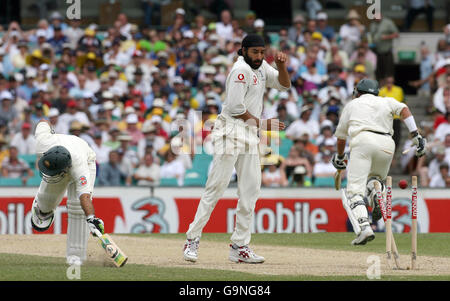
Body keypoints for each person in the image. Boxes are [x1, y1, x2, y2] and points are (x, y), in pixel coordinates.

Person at [183, 34, 290, 263]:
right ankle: (192, 239)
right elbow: (235, 108)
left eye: (262, 52)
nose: (259, 57)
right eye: (254, 52)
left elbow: (283, 85)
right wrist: (263, 124)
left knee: (250, 191)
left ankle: (239, 246)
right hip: (230, 133)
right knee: (216, 187)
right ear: (243, 51)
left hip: (250, 136)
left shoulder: (262, 68)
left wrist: (281, 66)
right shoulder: (240, 71)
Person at [331, 79, 426, 245]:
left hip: (363, 142)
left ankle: (365, 227)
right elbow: (405, 109)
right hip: (387, 144)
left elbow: (341, 137)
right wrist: (415, 135)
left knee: (354, 192)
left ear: (357, 92)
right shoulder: (386, 101)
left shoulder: (352, 105)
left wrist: (339, 157)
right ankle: (376, 194)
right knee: (374, 180)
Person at [31, 119, 104, 266]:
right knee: (44, 209)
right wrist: (52, 130)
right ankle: (43, 208)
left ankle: (76, 256)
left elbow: (84, 196)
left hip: (86, 160)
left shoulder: (80, 167)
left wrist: (91, 218)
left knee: (77, 207)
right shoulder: (42, 143)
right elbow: (43, 121)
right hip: (63, 154)